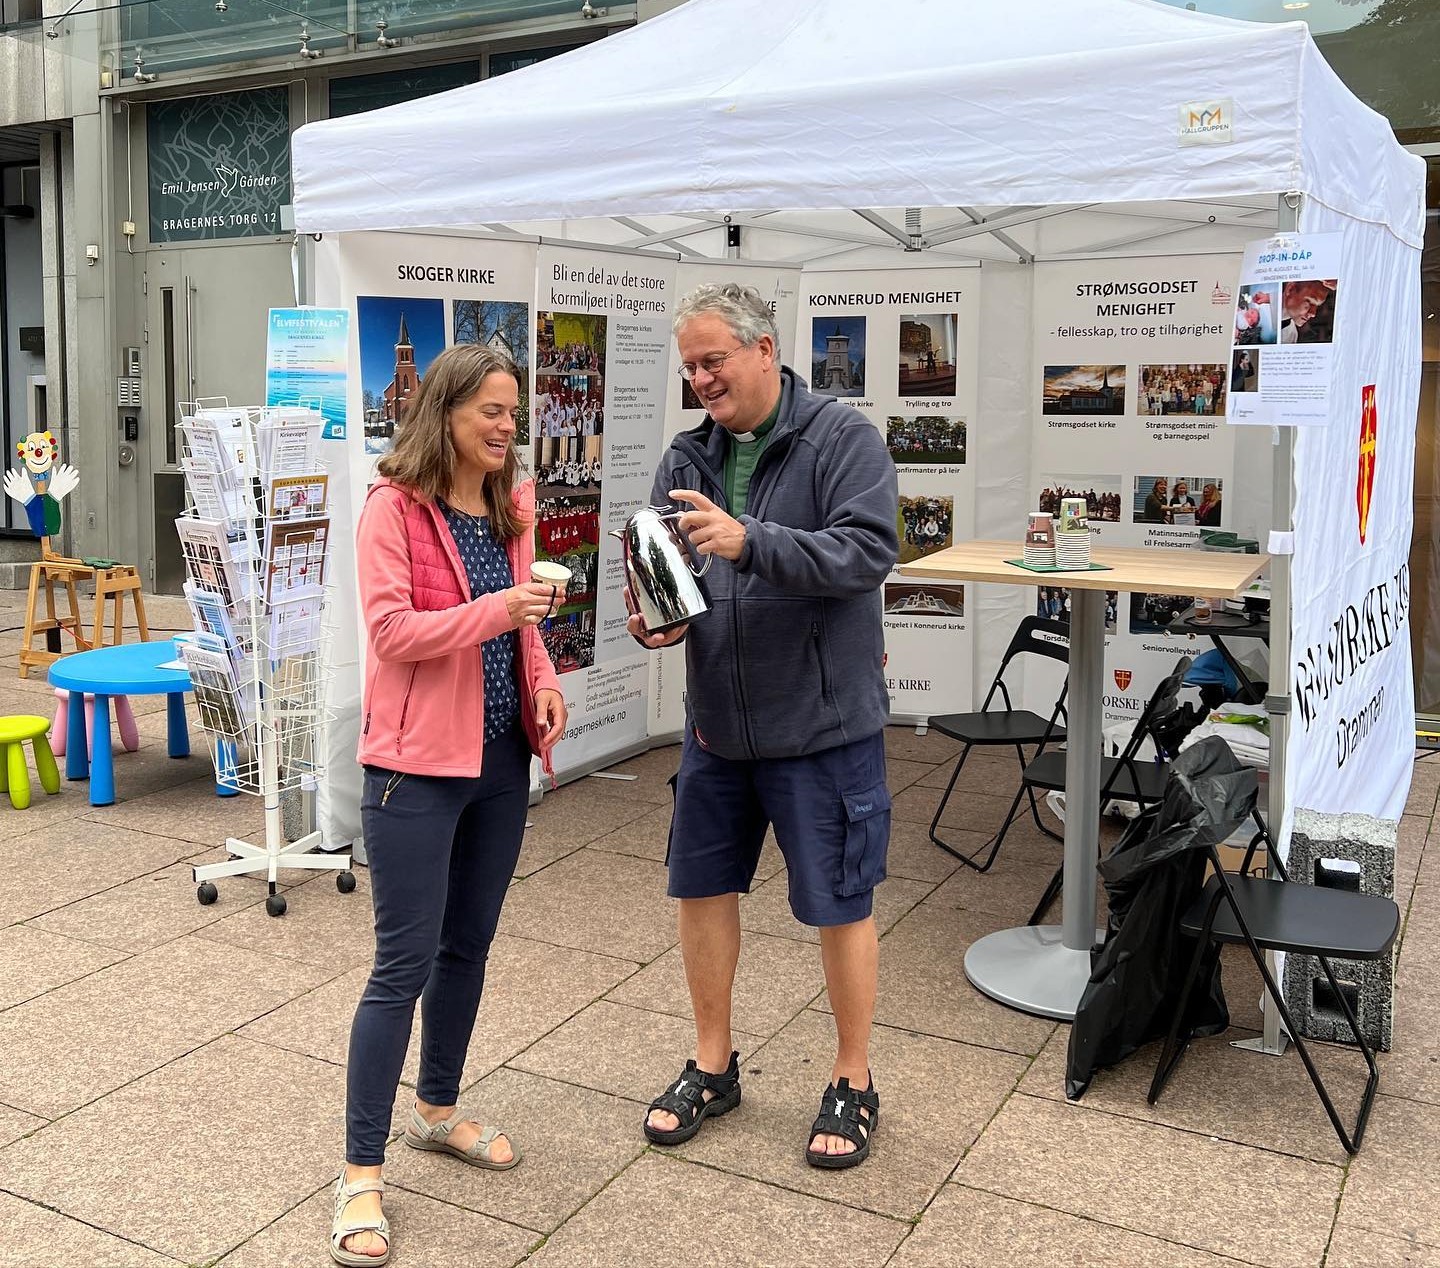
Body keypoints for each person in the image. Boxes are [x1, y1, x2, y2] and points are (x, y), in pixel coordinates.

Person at [628, 282, 898, 1170]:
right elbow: (673, 582)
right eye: (690, 368)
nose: (701, 380)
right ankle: (713, 1065)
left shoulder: (843, 438)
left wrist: (754, 542)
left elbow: (869, 552)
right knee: (701, 890)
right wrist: (659, 621)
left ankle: (853, 1078)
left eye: (713, 361)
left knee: (839, 903)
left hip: (823, 727)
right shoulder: (684, 455)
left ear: (765, 350)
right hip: (716, 727)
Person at [332, 344, 568, 1266]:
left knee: (467, 948)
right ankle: (360, 1173)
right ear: (445, 413)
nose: (507, 427)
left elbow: (525, 630)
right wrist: (502, 610)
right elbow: (392, 633)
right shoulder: (391, 507)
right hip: (414, 770)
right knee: (402, 966)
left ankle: (435, 1110)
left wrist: (543, 681)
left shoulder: (512, 504)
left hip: (501, 760)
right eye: (490, 412)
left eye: (513, 411)